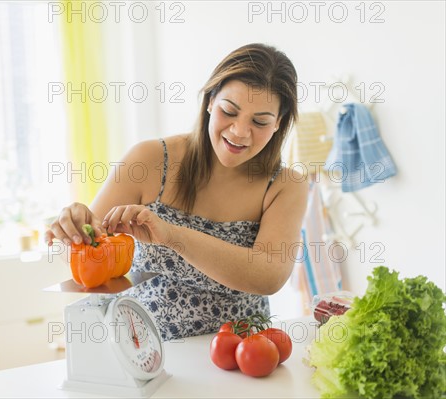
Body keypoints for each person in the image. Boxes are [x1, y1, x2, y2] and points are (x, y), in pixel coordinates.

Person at [45, 43, 308, 341]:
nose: (239, 131)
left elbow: (268, 275)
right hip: (145, 354)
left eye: (259, 121)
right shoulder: (148, 160)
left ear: (279, 124)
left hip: (243, 356)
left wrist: (171, 235)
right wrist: (76, 225)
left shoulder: (287, 185)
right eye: (229, 111)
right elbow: (93, 247)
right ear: (210, 101)